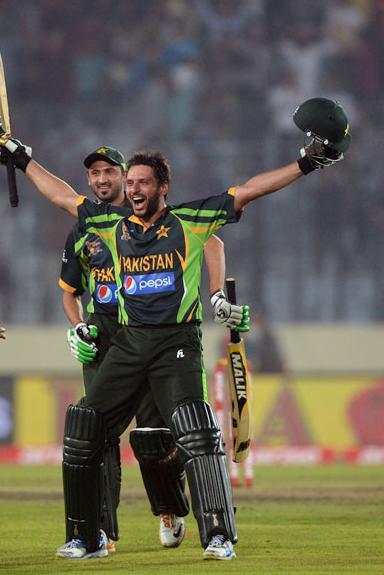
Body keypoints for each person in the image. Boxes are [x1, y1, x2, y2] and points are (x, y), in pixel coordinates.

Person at [0, 96, 350, 561]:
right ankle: (89, 538)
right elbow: (61, 195)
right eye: (132, 183)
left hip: (176, 343)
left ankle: (218, 535)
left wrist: (306, 162)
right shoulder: (107, 223)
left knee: (196, 431)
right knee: (84, 427)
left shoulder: (191, 220)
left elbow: (249, 190)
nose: (135, 190)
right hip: (127, 343)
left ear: (162, 186)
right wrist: (22, 159)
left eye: (143, 183)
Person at [59, 146, 250, 555]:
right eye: (96, 173)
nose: (106, 180)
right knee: (88, 429)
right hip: (115, 340)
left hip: (168, 338)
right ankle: (94, 536)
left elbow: (211, 239)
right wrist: (78, 326)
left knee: (160, 437)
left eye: (114, 173)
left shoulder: (174, 221)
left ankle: (182, 516)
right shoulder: (93, 225)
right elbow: (69, 289)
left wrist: (216, 295)